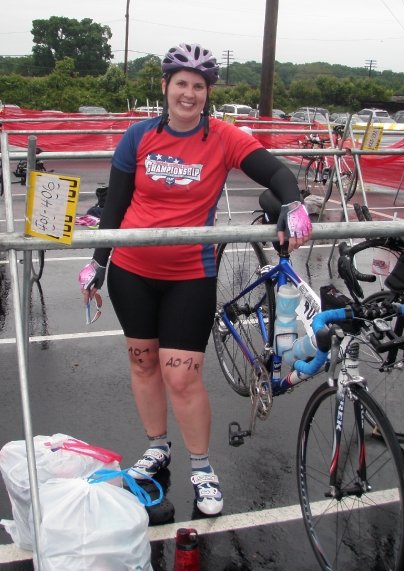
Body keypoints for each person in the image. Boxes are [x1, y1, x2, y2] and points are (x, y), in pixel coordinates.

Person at [79, 42, 312, 517]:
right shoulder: (138, 137)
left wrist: (291, 203)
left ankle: (202, 468)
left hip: (191, 273)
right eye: (180, 83)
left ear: (208, 94)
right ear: (165, 87)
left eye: (198, 86)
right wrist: (99, 263)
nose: (188, 93)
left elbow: (276, 172)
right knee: (143, 364)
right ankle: (157, 446)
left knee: (182, 375)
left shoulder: (223, 138)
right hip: (131, 271)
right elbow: (117, 207)